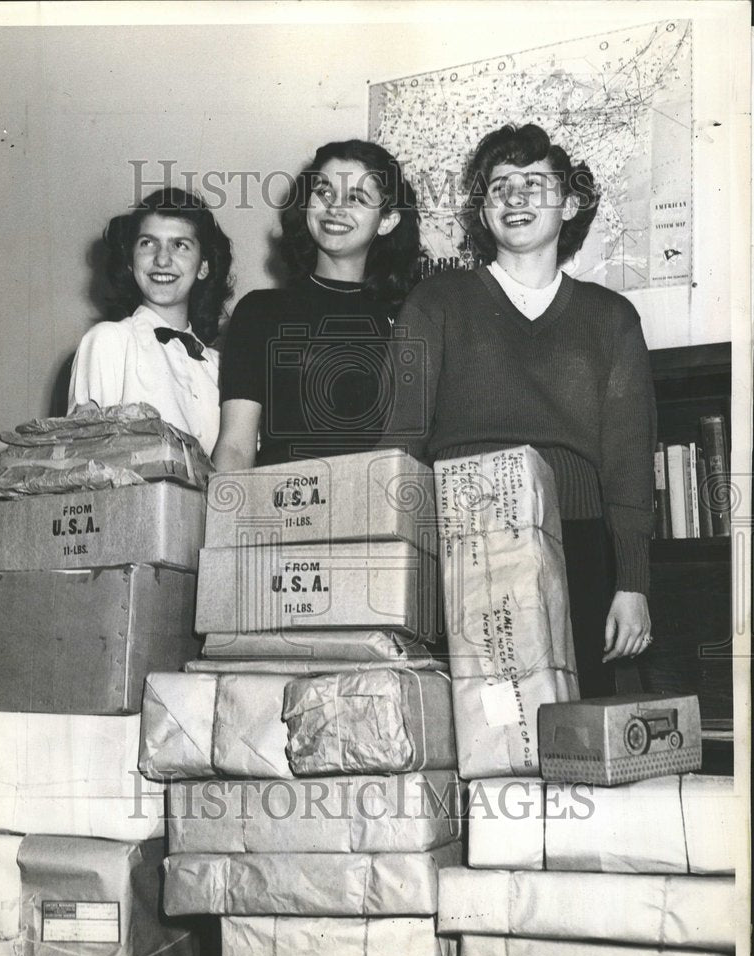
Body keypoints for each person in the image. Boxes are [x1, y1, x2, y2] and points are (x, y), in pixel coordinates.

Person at [392, 123, 656, 696]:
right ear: (484, 213)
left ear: (570, 202)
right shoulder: (435, 301)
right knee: (476, 732)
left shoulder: (612, 318)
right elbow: (397, 448)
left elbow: (630, 463)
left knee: (570, 740)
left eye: (535, 183)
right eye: (499, 186)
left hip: (579, 547)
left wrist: (632, 583)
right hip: (459, 540)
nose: (515, 197)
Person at [212, 139, 420, 470]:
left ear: (387, 220)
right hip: (280, 509)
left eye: (356, 198)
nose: (335, 207)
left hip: (376, 510)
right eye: (324, 192)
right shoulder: (259, 312)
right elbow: (235, 446)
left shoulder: (411, 317)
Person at [68, 187, 232, 457]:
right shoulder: (108, 340)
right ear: (131, 261)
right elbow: (82, 459)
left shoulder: (220, 366)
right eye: (148, 243)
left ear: (203, 266)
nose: (162, 259)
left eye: (180, 245)